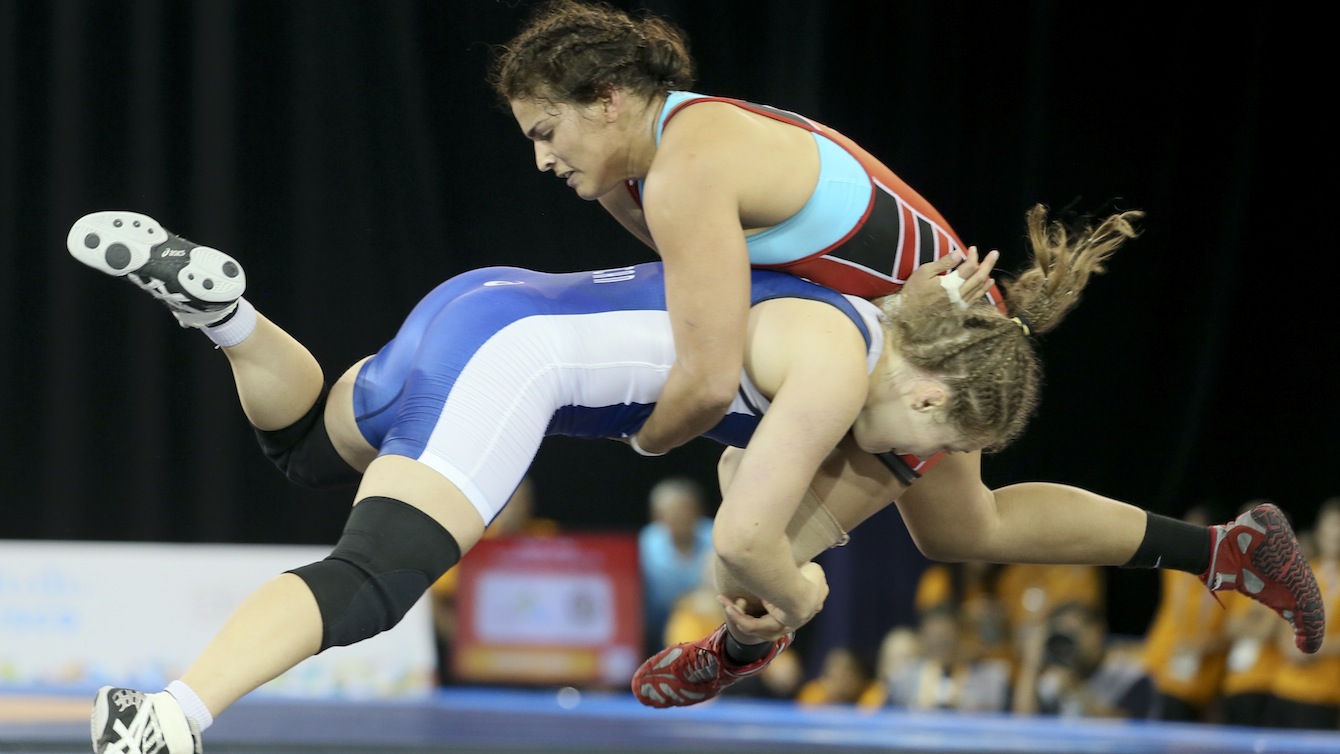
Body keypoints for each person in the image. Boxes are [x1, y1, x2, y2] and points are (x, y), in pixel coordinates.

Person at [66, 203, 1320, 752]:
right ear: (929, 396)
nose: (917, 469)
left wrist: (747, 625)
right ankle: (170, 714)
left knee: (301, 451)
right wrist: (788, 609)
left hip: (480, 305)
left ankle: (225, 317)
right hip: (517, 364)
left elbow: (837, 508)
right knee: (374, 578)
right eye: (928, 445)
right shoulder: (835, 378)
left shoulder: (884, 325)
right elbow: (747, 541)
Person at [489, 0, 1008, 468]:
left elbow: (710, 385)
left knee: (751, 547)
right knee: (968, 531)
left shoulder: (686, 171)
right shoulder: (624, 180)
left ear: (607, 99)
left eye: (547, 133)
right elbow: (737, 293)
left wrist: (641, 440)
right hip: (883, 317)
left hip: (945, 314)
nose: (542, 160)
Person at [1011, 601, 1158, 719]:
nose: (1070, 642)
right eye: (1063, 635)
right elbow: (1025, 723)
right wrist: (1031, 664)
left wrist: (1076, 689)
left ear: (1098, 631)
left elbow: (1124, 734)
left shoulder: (1131, 678)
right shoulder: (1053, 679)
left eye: (1076, 632)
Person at [638, 476, 715, 655]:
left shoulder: (714, 535)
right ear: (657, 516)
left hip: (700, 622)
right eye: (669, 512)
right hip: (653, 621)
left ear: (698, 511)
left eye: (684, 510)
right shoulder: (646, 543)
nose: (678, 517)